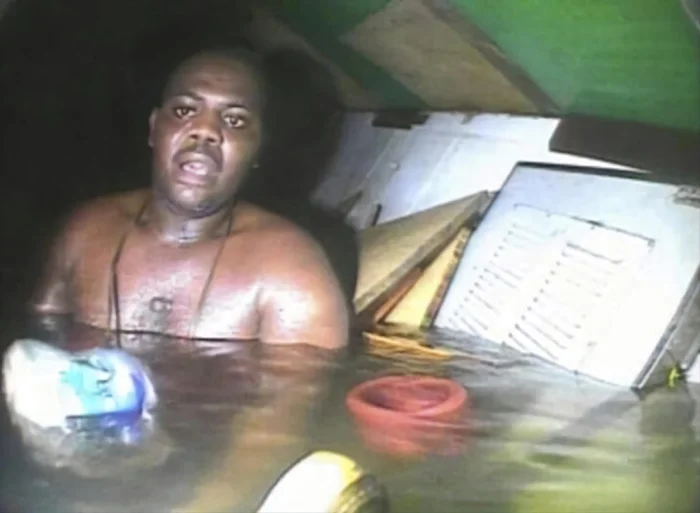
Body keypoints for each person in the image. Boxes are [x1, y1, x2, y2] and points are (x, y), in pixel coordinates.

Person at [29, 48, 350, 350]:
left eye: (235, 120)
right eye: (184, 110)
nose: (205, 131)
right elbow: (33, 354)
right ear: (154, 129)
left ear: (257, 148)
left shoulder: (291, 270)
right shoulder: (85, 231)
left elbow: (301, 390)